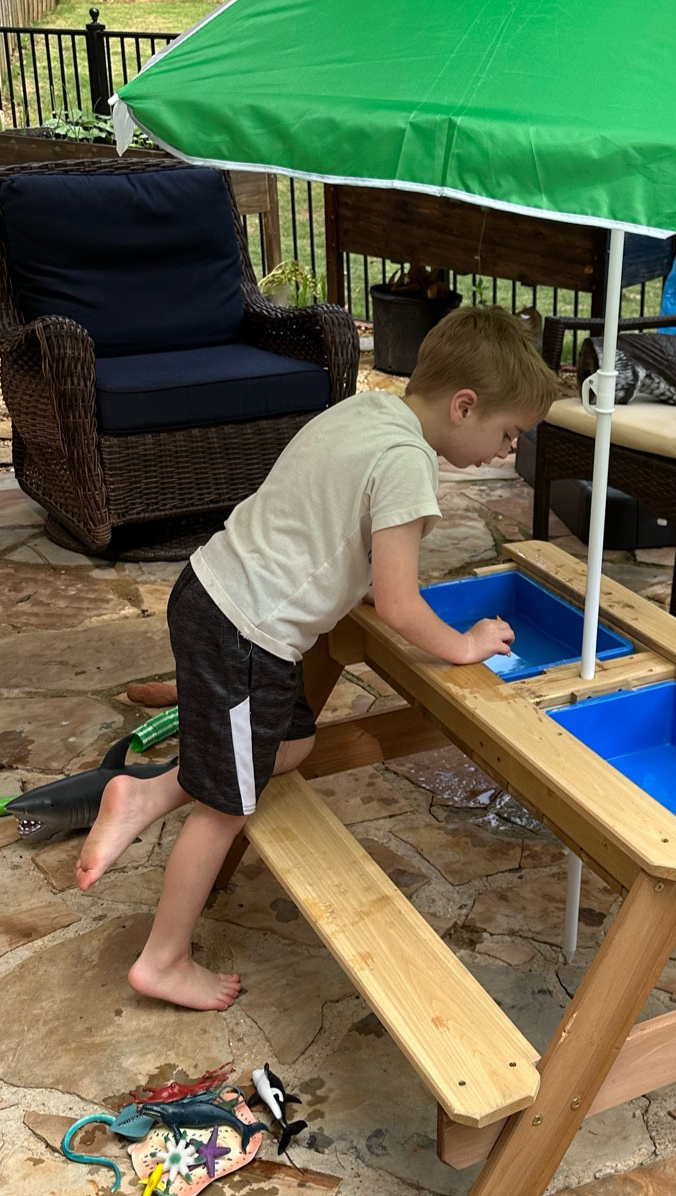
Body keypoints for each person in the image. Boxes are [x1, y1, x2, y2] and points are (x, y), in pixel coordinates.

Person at [75, 303, 560, 1010]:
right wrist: (465, 644)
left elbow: (324, 520)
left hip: (219, 601)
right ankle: (164, 957)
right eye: (507, 431)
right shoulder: (407, 464)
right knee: (225, 804)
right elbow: (398, 604)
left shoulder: (366, 413)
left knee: (292, 744)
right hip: (245, 632)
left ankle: (147, 792)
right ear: (465, 406)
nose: (507, 449)